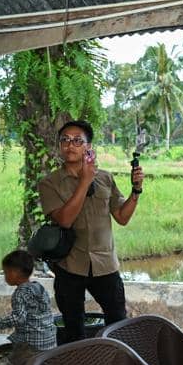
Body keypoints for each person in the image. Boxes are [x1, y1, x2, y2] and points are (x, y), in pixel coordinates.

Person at [38, 120, 144, 343]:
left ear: (88, 147)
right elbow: (65, 220)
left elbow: (122, 217)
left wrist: (136, 191)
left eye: (77, 141)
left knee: (117, 323)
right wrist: (85, 182)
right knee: (73, 327)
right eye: (65, 140)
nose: (70, 145)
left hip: (105, 265)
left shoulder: (105, 177)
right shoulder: (49, 183)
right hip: (70, 265)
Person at [0, 249, 57, 365]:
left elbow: (17, 319)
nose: (5, 276)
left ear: (15, 272)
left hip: (31, 343)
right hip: (48, 340)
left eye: (6, 272)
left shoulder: (19, 293)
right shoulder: (39, 287)